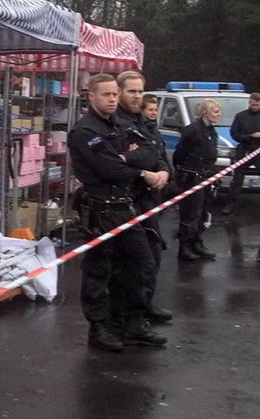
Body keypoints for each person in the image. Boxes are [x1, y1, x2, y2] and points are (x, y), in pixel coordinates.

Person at [69, 73, 168, 352]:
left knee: (141, 265)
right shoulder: (86, 131)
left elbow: (151, 149)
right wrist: (141, 172)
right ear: (91, 96)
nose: (112, 99)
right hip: (101, 209)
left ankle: (131, 322)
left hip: (125, 206)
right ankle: (98, 328)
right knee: (99, 271)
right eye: (106, 95)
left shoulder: (119, 125)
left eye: (114, 94)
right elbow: (110, 168)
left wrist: (130, 159)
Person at [111, 74, 173, 325]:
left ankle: (143, 305)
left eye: (140, 91)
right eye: (131, 91)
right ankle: (128, 318)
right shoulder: (115, 123)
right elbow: (118, 161)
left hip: (149, 198)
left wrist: (164, 172)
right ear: (120, 92)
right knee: (132, 263)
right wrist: (144, 167)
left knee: (153, 255)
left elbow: (154, 153)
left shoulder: (143, 122)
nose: (136, 96)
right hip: (127, 199)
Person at [173, 99, 222, 260]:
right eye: (215, 111)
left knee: (203, 212)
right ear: (204, 112)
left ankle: (197, 242)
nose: (218, 114)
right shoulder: (192, 130)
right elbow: (179, 154)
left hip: (207, 176)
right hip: (192, 177)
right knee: (190, 214)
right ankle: (184, 247)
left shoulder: (211, 131)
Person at [223, 92, 260, 218]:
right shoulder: (240, 116)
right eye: (253, 104)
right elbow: (234, 134)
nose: (255, 107)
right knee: (237, 180)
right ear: (249, 102)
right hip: (245, 150)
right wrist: (248, 137)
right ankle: (230, 205)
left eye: (257, 105)